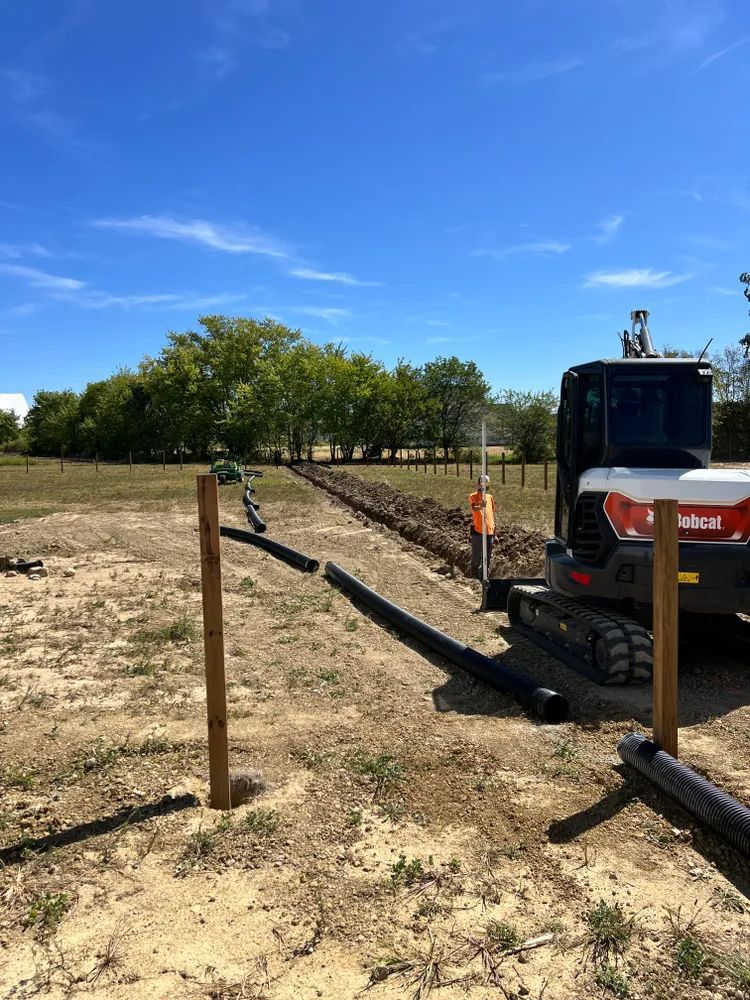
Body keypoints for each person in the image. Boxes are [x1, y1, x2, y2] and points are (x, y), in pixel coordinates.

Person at [468, 475, 497, 579]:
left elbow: (491, 515)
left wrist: (495, 533)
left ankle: (483, 579)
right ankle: (473, 578)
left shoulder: (490, 497)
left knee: (487, 558)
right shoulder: (473, 496)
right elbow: (474, 509)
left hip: (489, 532)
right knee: (476, 558)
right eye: (483, 484)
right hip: (478, 532)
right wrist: (481, 506)